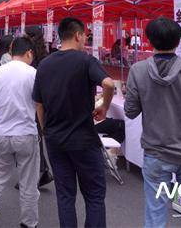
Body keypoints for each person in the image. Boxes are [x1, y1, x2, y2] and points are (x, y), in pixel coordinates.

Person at [124, 16, 181, 228]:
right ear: (178, 40)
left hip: (156, 154)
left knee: (155, 218)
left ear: (149, 40)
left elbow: (130, 112)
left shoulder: (138, 71)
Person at [33, 17, 115, 228]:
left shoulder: (44, 64)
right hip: (84, 139)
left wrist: (45, 130)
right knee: (94, 196)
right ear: (78, 35)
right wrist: (104, 106)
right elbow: (108, 83)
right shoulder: (85, 60)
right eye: (84, 37)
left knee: (65, 196)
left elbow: (39, 104)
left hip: (55, 140)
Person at [0, 36, 40, 228]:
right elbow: (39, 104)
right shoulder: (33, 73)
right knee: (28, 181)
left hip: (2, 132)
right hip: (26, 133)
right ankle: (28, 222)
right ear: (29, 53)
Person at [24, 26, 55, 187]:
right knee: (36, 135)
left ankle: (39, 172)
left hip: (32, 100)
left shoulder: (29, 56)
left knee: (33, 136)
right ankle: (41, 170)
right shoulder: (45, 55)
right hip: (43, 100)